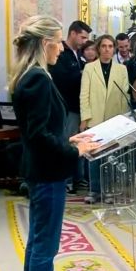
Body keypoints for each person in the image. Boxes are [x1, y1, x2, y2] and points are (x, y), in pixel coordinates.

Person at [10, 15, 99, 271]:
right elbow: (38, 135)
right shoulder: (37, 77)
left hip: (43, 170)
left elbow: (43, 130)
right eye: (59, 41)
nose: (61, 48)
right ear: (46, 43)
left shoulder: (31, 74)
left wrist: (71, 141)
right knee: (44, 249)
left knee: (38, 245)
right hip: (48, 173)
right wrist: (74, 151)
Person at [80, 35, 129, 203]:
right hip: (94, 118)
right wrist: (85, 117)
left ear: (114, 48)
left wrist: (123, 120)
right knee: (94, 155)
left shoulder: (121, 69)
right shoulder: (89, 68)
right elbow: (84, 94)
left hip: (114, 118)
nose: (107, 49)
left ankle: (109, 190)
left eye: (110, 46)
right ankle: (94, 190)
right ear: (98, 48)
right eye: (104, 46)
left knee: (111, 156)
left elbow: (125, 95)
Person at [49, 20, 92, 194]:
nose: (84, 41)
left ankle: (78, 179)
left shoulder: (77, 54)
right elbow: (61, 79)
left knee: (77, 144)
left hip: (78, 107)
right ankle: (65, 180)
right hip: (66, 108)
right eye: (82, 37)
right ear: (73, 33)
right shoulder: (63, 54)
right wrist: (83, 73)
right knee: (66, 143)